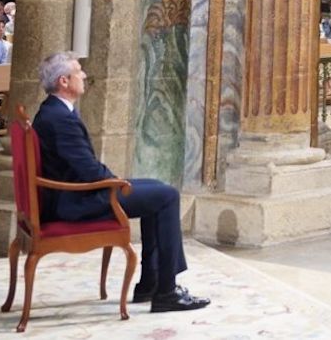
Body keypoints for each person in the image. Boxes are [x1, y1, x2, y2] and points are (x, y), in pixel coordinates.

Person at [32, 52, 208, 312]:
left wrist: (116, 180)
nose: (84, 75)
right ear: (64, 81)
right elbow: (90, 171)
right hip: (74, 202)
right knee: (167, 196)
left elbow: (85, 167)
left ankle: (150, 282)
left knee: (157, 187)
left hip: (72, 195)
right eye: (78, 72)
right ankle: (166, 292)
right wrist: (116, 183)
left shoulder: (53, 110)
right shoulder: (60, 119)